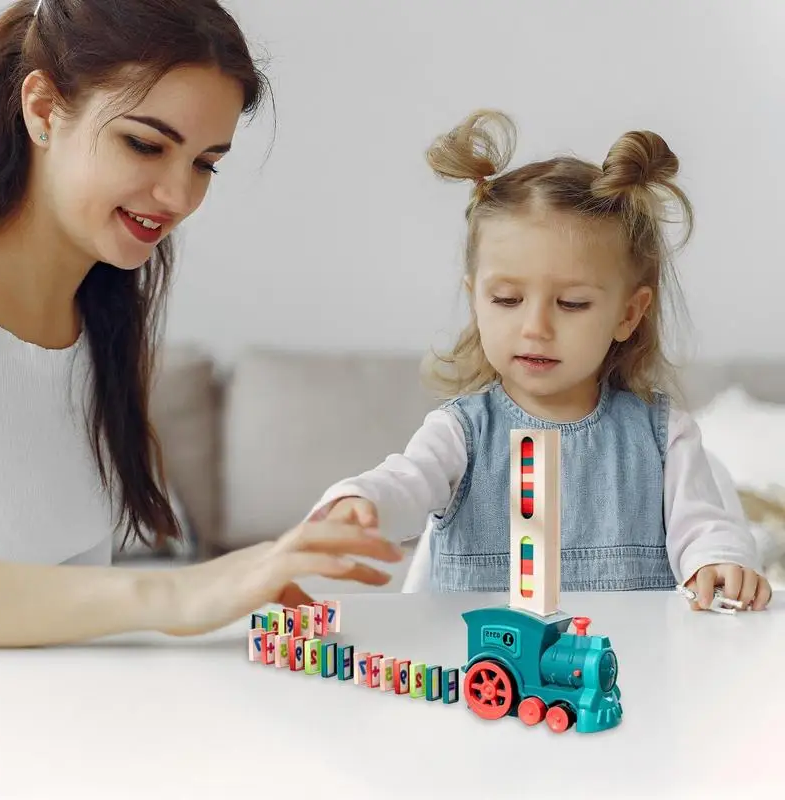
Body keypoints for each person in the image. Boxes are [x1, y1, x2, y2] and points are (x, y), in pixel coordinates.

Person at [0, 0, 403, 648]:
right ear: (43, 110)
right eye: (145, 144)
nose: (180, 198)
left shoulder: (100, 321)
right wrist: (176, 591)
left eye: (206, 163)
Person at [310, 109, 772, 612]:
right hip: (480, 675)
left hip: (628, 676)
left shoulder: (665, 437)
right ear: (475, 301)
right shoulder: (460, 434)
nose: (535, 328)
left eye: (572, 304)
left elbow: (705, 527)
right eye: (506, 300)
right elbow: (404, 483)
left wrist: (717, 561)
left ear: (628, 314)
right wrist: (360, 504)